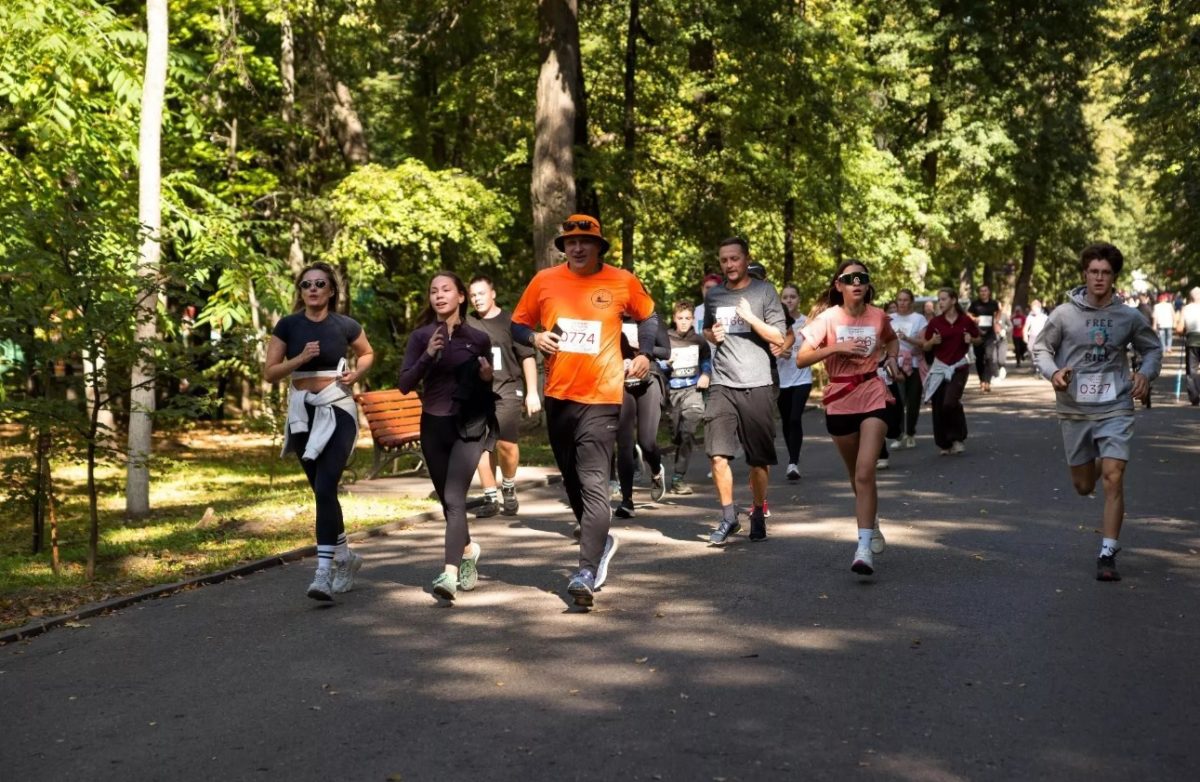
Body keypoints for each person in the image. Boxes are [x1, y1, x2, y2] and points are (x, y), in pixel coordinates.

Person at [511, 214, 657, 607]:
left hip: (603, 397)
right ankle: (602, 540)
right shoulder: (544, 281)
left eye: (585, 242)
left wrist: (643, 353)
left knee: (593, 483)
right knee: (572, 480)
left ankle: (586, 570)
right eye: (570, 242)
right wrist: (535, 337)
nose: (576, 248)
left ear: (598, 247)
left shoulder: (622, 281)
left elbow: (649, 316)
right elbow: (517, 326)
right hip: (559, 396)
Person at [1032, 243, 1161, 582]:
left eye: (1105, 272)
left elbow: (1152, 349)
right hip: (1075, 410)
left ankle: (1108, 551)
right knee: (1083, 485)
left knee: (1114, 476)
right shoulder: (1063, 314)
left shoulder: (1129, 317)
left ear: (1114, 277)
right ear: (1084, 274)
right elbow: (1042, 348)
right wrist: (1054, 373)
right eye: (1094, 272)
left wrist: (1145, 374)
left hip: (1115, 406)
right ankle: (1102, 457)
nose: (1099, 278)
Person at [265, 262, 374, 601]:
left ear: (330, 291)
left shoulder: (344, 324)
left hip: (338, 409)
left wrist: (356, 374)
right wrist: (299, 359)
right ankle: (345, 557)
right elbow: (270, 373)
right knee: (322, 492)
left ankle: (322, 573)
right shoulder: (288, 326)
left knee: (326, 485)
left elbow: (367, 353)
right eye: (306, 284)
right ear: (300, 291)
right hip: (302, 413)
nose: (312, 289)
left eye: (319, 284)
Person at [399, 272, 495, 603]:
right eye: (433, 291)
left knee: (455, 498)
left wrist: (486, 377)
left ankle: (449, 574)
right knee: (448, 503)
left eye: (446, 290)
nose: (439, 295)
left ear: (461, 297)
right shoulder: (421, 336)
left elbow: (486, 384)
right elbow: (404, 384)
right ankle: (468, 551)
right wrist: (427, 355)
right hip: (433, 425)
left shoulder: (478, 338)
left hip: (468, 426)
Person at [797, 260, 896, 576]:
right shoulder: (827, 319)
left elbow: (892, 339)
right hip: (840, 399)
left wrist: (891, 358)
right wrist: (835, 347)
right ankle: (873, 522)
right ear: (838, 285)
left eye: (862, 278)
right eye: (849, 278)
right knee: (856, 476)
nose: (856, 283)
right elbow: (801, 359)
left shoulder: (878, 316)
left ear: (867, 284)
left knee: (866, 471)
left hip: (872, 391)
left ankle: (863, 547)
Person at [702, 237, 787, 544]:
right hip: (722, 382)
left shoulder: (765, 291)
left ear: (745, 259)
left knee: (758, 460)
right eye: (724, 260)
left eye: (734, 259)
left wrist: (750, 318)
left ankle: (757, 509)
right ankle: (728, 517)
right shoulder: (714, 295)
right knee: (717, 455)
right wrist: (713, 334)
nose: (729, 265)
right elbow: (708, 330)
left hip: (757, 382)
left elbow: (779, 335)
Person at [467, 275, 541, 517]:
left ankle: (508, 486)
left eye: (481, 293)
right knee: (478, 446)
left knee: (505, 444)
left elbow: (527, 357)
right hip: (477, 393)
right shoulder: (467, 324)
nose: (477, 299)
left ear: (493, 293)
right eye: (473, 296)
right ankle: (490, 497)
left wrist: (532, 393)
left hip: (508, 388)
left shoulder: (512, 321)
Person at [613, 313, 672, 517]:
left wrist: (642, 348)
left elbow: (666, 351)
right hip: (622, 382)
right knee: (624, 443)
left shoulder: (652, 319)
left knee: (647, 442)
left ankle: (656, 470)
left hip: (649, 380)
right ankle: (627, 501)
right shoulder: (613, 318)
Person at [919, 288, 983, 455]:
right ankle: (944, 443)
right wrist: (932, 341)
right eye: (939, 299)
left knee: (950, 402)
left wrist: (971, 339)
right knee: (939, 405)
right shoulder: (935, 323)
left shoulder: (965, 321)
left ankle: (958, 438)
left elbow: (979, 340)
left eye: (944, 299)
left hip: (959, 367)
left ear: (953, 300)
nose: (940, 302)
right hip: (940, 367)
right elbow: (924, 346)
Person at [665, 301, 711, 494]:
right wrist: (665, 363)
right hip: (672, 391)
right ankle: (674, 467)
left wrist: (706, 375)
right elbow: (656, 361)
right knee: (677, 434)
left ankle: (678, 477)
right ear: (674, 318)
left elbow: (706, 360)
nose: (684, 322)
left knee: (689, 429)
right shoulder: (666, 338)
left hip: (693, 389)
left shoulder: (699, 340)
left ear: (693, 319)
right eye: (680, 318)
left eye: (688, 318)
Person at [777, 284, 813, 480]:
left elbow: (815, 348)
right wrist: (779, 352)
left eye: (793, 297)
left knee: (794, 418)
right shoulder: (773, 324)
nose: (789, 300)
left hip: (802, 377)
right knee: (785, 420)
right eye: (785, 297)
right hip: (782, 380)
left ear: (799, 299)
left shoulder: (807, 322)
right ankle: (792, 460)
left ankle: (793, 462)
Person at [888, 289, 928, 450]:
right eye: (899, 300)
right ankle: (898, 435)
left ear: (911, 302)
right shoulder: (890, 319)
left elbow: (924, 342)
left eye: (905, 300)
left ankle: (910, 433)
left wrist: (907, 338)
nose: (902, 303)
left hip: (914, 365)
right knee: (897, 402)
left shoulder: (919, 319)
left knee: (913, 401)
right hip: (895, 364)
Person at [968, 285, 1000, 392]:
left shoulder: (993, 303)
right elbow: (968, 314)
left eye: (985, 291)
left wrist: (996, 320)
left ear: (989, 292)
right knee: (979, 358)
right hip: (977, 334)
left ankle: (987, 382)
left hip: (990, 334)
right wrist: (974, 318)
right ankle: (981, 380)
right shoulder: (975, 304)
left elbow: (998, 312)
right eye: (981, 291)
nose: (983, 293)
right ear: (979, 293)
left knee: (989, 357)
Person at [1182, 287, 1200, 406]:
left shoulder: (1186, 309)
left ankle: (1194, 396)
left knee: (1192, 370)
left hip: (1192, 340)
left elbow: (1178, 327)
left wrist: (1183, 330)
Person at [1024, 300, 1049, 378]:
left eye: (1035, 309)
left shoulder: (1044, 317)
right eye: (1032, 309)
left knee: (1041, 354)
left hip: (1041, 337)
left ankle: (1039, 370)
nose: (1033, 310)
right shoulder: (1029, 317)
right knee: (1032, 353)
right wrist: (1025, 336)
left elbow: (1048, 328)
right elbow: (1025, 328)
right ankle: (1036, 368)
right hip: (1032, 337)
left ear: (1039, 308)